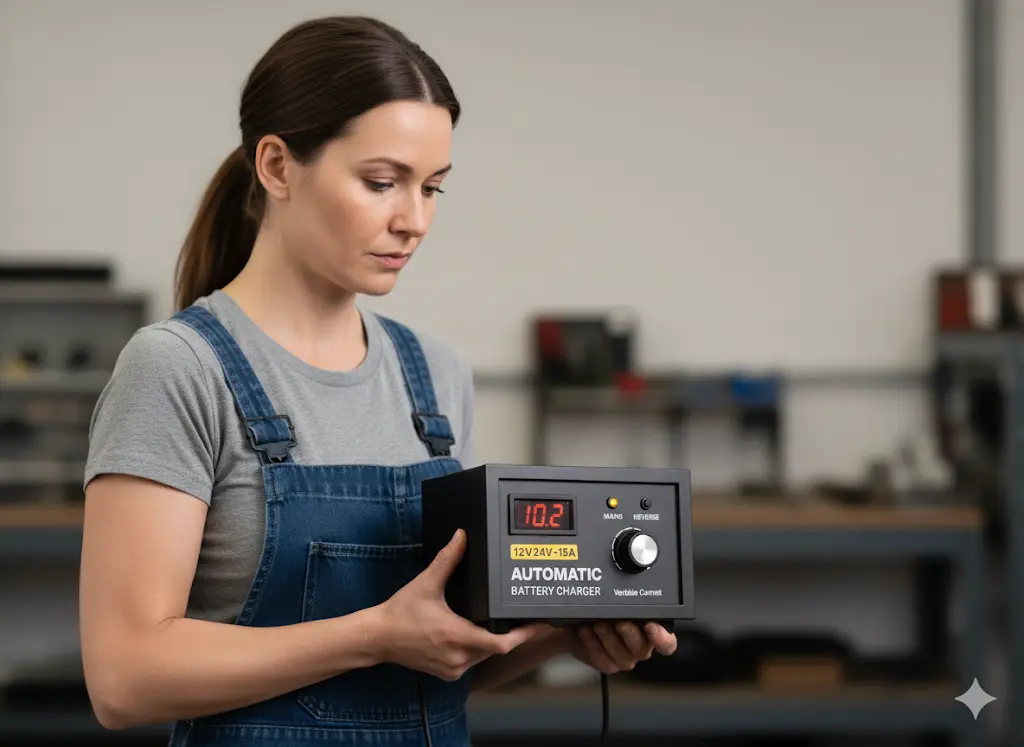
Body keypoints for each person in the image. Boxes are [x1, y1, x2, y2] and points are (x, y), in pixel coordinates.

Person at [78, 15, 678, 747]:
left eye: (433, 188)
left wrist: (562, 635)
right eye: (382, 182)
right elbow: (124, 677)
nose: (414, 220)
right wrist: (372, 635)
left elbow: (435, 661)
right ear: (277, 166)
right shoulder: (179, 368)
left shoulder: (437, 377)